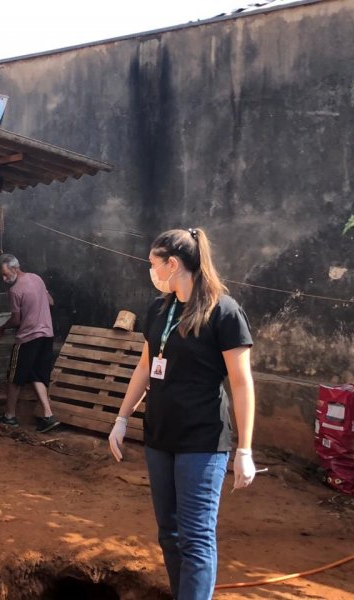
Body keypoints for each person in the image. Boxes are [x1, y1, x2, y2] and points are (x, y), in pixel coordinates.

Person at [108, 228, 256, 600]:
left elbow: (241, 383)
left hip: (202, 441)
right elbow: (145, 368)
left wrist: (245, 450)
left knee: (196, 537)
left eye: (153, 264)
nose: (151, 271)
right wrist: (122, 418)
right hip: (159, 436)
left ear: (172, 264)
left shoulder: (224, 311)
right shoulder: (160, 308)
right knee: (169, 534)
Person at [0, 254, 60, 433]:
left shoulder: (14, 291)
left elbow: (16, 320)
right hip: (46, 335)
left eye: (6, 274)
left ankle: (9, 416)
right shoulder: (37, 278)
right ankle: (48, 415)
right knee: (37, 374)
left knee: (14, 378)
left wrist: (1, 328)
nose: (4, 278)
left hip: (28, 338)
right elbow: (50, 301)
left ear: (16, 268)